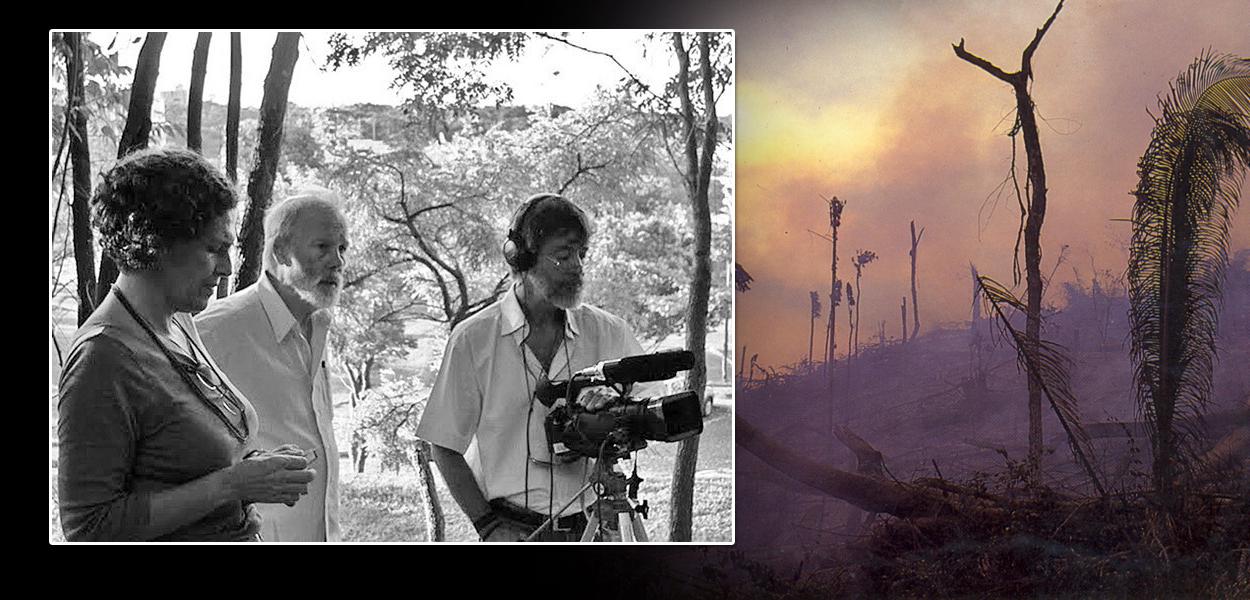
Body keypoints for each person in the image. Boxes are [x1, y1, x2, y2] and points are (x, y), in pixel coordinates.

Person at [57, 147, 315, 542]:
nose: (227, 268)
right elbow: (89, 528)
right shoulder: (103, 358)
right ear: (155, 242)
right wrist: (232, 485)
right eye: (213, 249)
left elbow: (183, 461)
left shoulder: (179, 322)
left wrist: (257, 471)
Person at [416, 193, 648, 542]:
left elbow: (651, 407)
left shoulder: (609, 332)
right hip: (512, 531)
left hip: (596, 526)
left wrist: (616, 410)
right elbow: (443, 445)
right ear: (520, 258)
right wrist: (487, 526)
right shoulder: (473, 340)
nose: (577, 267)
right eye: (563, 256)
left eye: (581, 255)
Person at [196, 190, 348, 542]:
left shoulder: (319, 324)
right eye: (322, 247)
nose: (337, 261)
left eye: (343, 248)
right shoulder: (215, 333)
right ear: (281, 251)